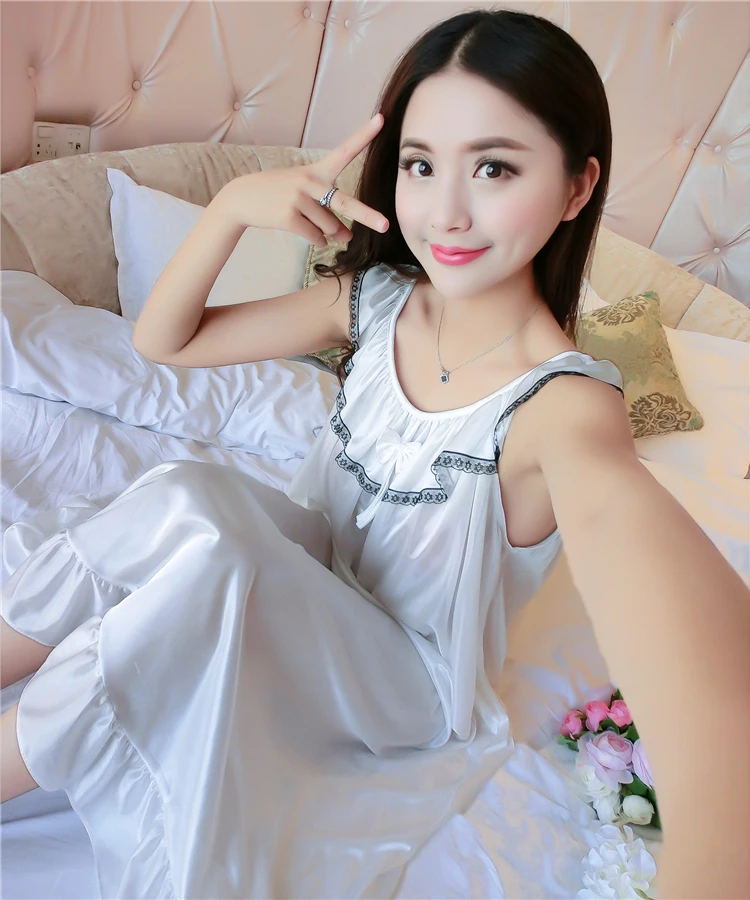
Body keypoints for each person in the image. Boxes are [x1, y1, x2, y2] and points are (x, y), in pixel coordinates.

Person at [1, 8, 748, 899]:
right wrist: (235, 209)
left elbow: (685, 644)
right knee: (187, 499)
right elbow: (165, 341)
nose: (447, 211)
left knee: (203, 568)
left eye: (496, 168)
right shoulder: (379, 300)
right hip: (303, 577)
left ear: (577, 186)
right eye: (422, 165)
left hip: (397, 681)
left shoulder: (565, 408)